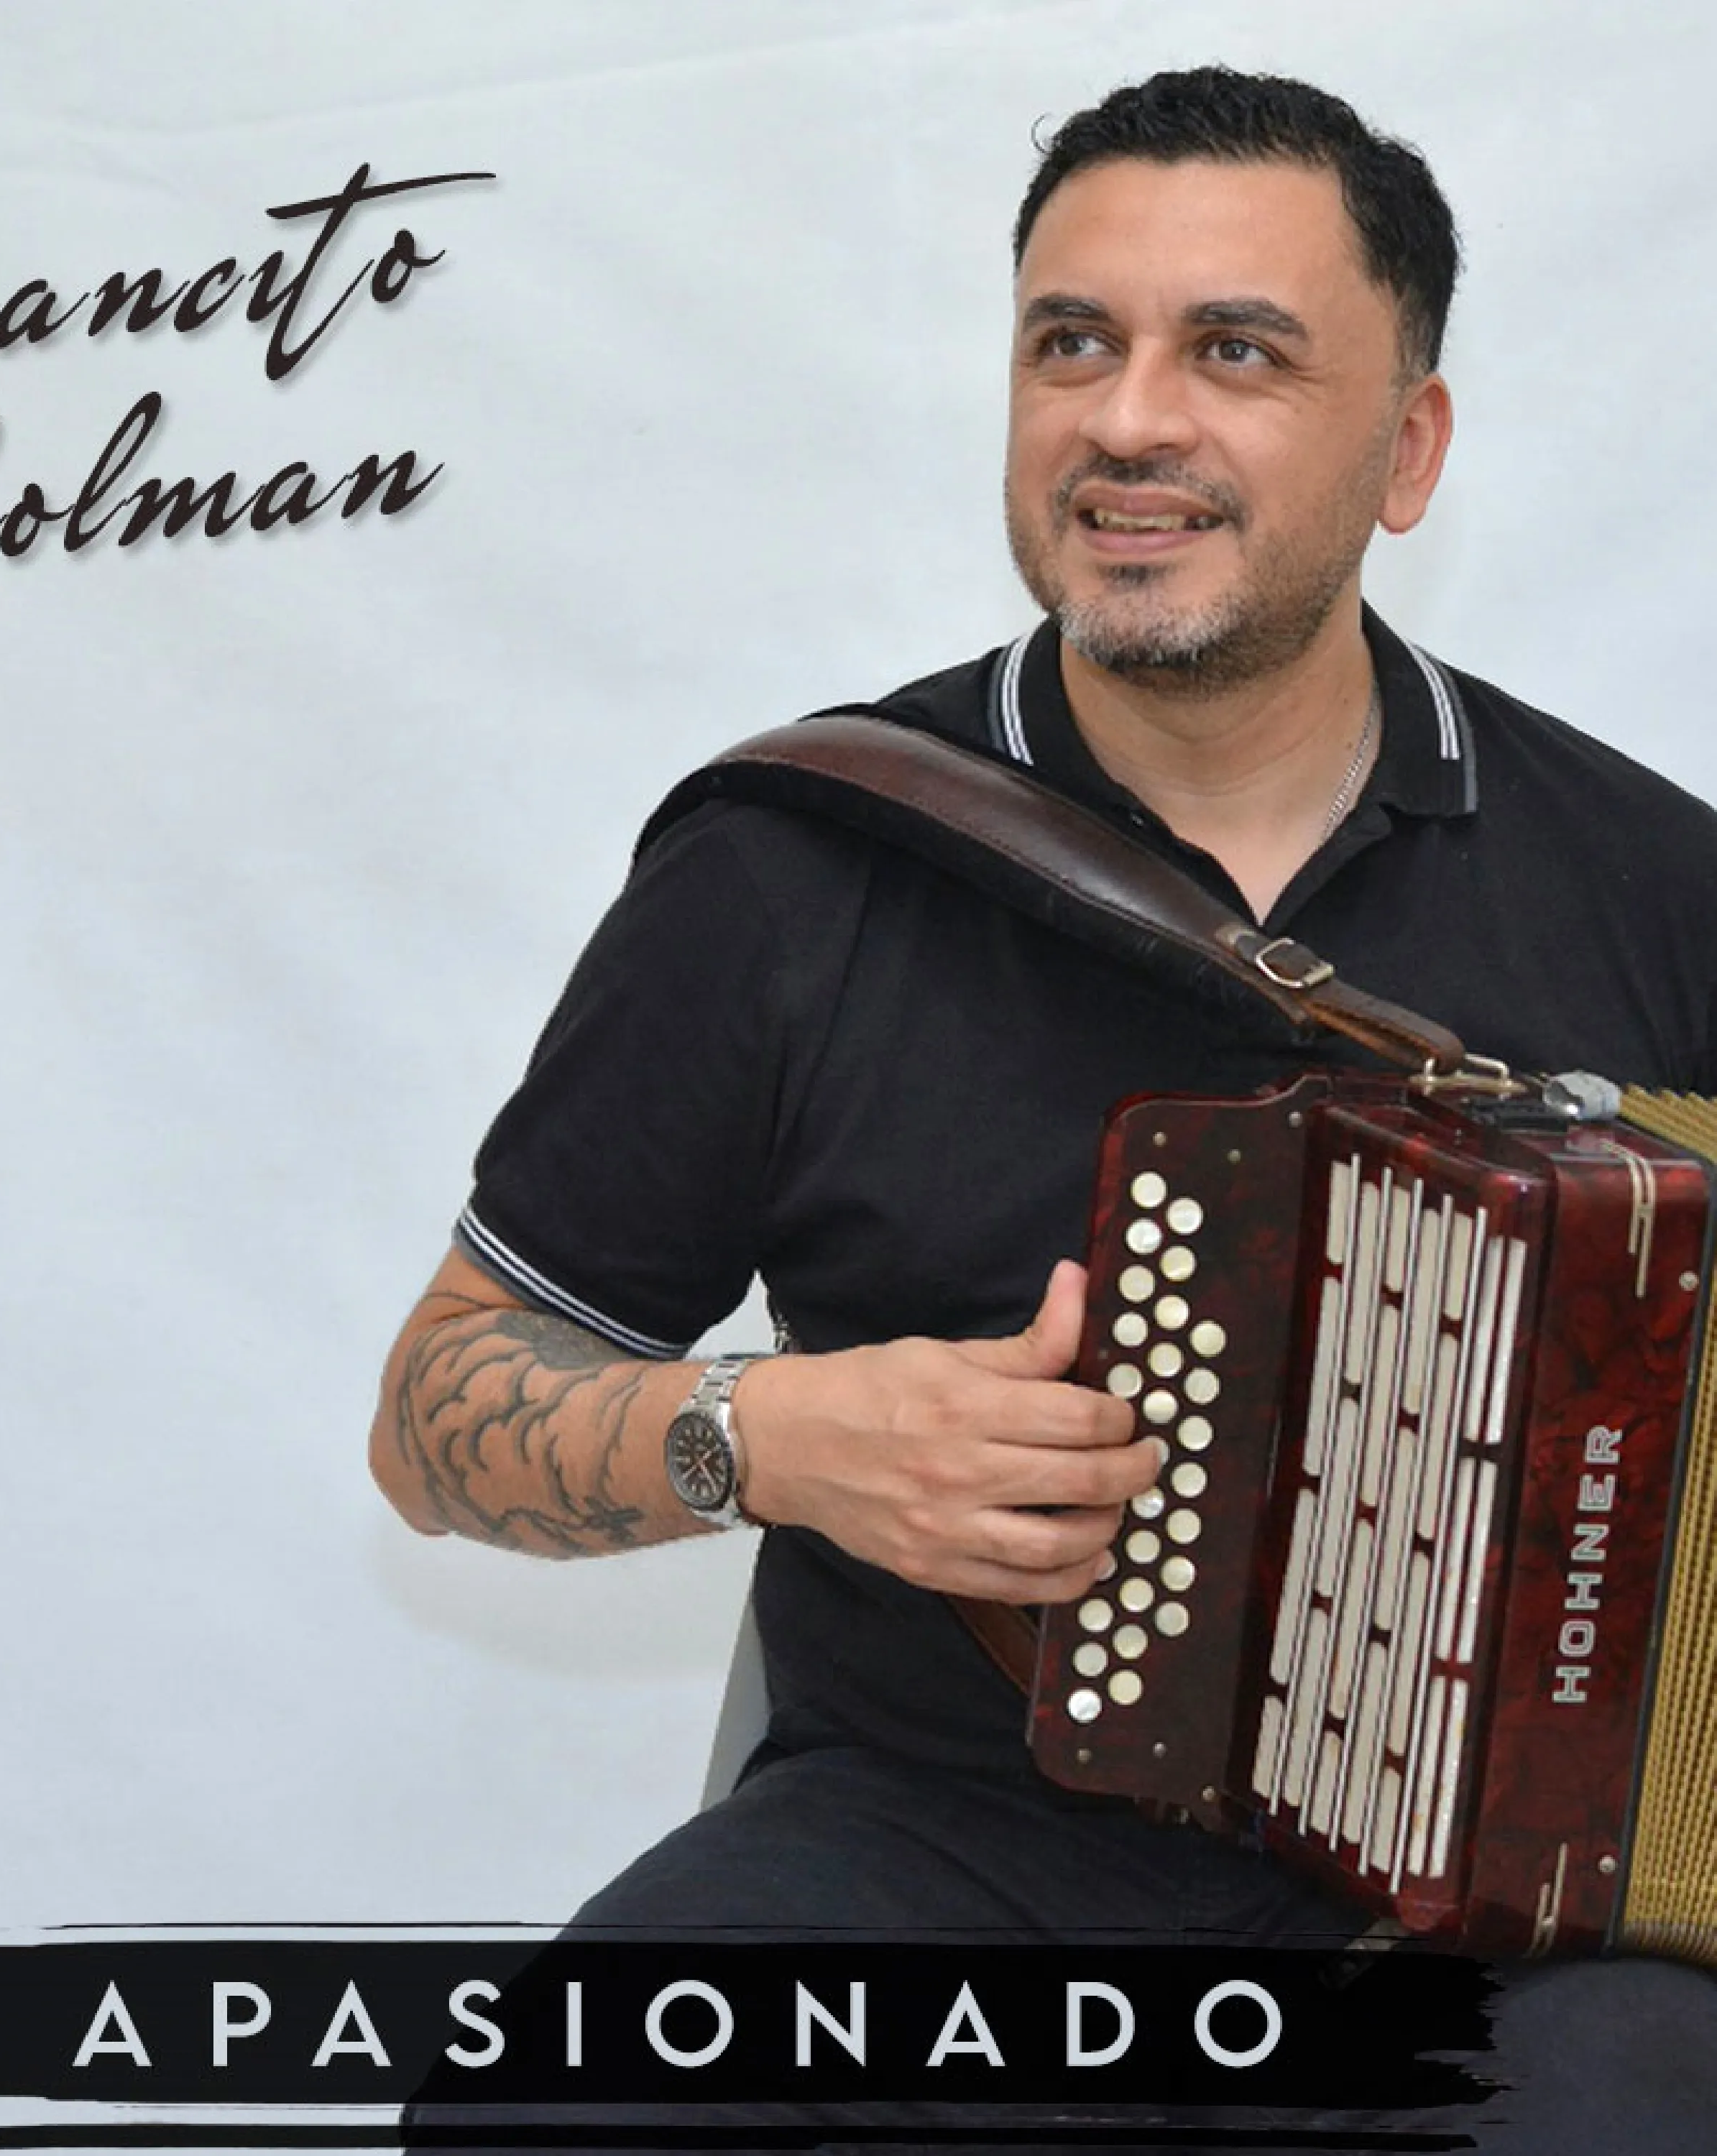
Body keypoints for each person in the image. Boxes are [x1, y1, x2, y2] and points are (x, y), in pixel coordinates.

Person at [369, 66, 1717, 2150]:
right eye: (1072, 343)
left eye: (1236, 352)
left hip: (1522, 1918)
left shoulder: (1656, 888)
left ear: (1411, 449)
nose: (1130, 420)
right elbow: (439, 1410)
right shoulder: (796, 866)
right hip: (940, 1851)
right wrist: (766, 1436)